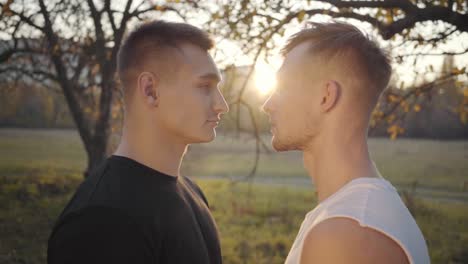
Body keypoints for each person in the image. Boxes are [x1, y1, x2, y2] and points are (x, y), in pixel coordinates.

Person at [48, 20, 228, 264]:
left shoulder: (191, 192)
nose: (221, 105)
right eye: (205, 86)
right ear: (150, 90)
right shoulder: (101, 220)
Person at [262, 21, 430, 264]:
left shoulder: (347, 235)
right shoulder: (357, 214)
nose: (267, 104)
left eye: (282, 87)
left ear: (326, 97)